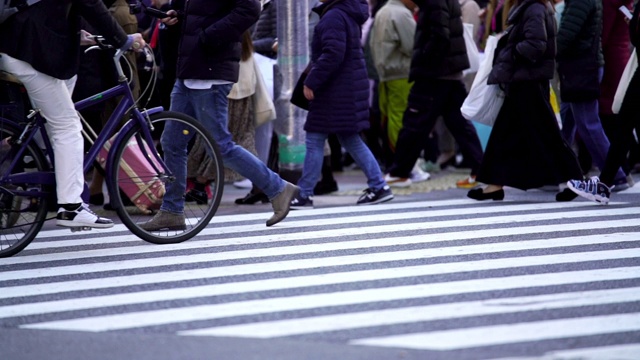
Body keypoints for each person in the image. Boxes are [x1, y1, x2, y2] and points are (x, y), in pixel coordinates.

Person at [140, 0, 299, 230]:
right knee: (172, 141)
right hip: (190, 70)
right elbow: (203, 12)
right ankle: (172, 210)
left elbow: (249, 9)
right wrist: (179, 15)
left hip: (211, 71)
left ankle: (278, 188)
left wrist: (209, 36)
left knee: (220, 146)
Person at [0, 0, 146, 229]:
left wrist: (75, 34)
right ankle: (70, 207)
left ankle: (57, 181)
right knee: (67, 127)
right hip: (27, 50)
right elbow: (91, 4)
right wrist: (123, 39)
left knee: (58, 116)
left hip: (20, 42)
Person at [467, 0, 584, 201]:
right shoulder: (534, 7)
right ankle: (494, 184)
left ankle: (573, 179)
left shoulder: (534, 9)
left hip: (528, 81)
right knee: (506, 133)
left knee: (545, 133)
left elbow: (536, 45)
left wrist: (508, 50)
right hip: (525, 79)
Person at [289, 0, 394, 208]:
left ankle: (305, 193)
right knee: (349, 139)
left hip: (334, 89)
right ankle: (379, 186)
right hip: (346, 87)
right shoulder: (345, 13)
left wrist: (312, 81)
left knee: (315, 137)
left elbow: (332, 53)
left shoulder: (334, 16)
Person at [383, 0, 484, 188]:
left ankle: (399, 172)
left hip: (434, 73)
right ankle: (480, 170)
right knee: (460, 124)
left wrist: (423, 59)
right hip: (449, 71)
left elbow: (440, 35)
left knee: (415, 122)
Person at [567, 3, 640, 204]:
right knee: (625, 124)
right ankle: (606, 182)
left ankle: (605, 183)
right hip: (626, 63)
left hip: (620, 64)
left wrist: (633, 22)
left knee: (623, 123)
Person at [557, 0, 629, 191]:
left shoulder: (581, 1)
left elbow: (566, 36)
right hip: (584, 65)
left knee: (588, 123)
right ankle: (560, 168)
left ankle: (615, 175)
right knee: (569, 120)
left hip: (582, 67)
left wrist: (548, 50)